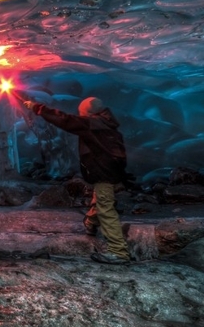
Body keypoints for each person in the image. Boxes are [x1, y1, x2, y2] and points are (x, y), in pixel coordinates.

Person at [17, 92, 131, 265]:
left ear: (88, 112)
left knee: (106, 208)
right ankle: (91, 223)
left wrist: (37, 107)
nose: (80, 115)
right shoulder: (108, 126)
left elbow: (65, 120)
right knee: (100, 200)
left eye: (81, 112)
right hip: (111, 173)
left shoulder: (92, 123)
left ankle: (119, 251)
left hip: (104, 174)